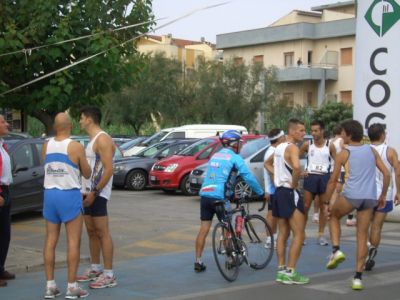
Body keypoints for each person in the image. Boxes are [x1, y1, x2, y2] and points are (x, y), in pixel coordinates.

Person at [321, 120, 390, 291]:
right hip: (369, 198)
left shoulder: (344, 153)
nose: (340, 135)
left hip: (351, 196)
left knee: (334, 216)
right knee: (362, 236)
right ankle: (358, 278)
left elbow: (332, 180)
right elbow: (387, 174)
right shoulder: (371, 150)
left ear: (349, 135)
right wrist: (382, 195)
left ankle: (336, 250)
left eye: (342, 133)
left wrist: (326, 202)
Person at [194, 130, 264, 272]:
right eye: (239, 143)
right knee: (227, 228)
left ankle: (198, 261)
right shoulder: (235, 158)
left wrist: (231, 192)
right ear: (234, 144)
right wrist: (260, 192)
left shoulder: (215, 156)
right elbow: (248, 177)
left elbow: (219, 176)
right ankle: (230, 259)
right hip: (220, 198)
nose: (241, 146)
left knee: (204, 229)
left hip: (205, 195)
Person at [42, 113, 91, 299]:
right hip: (68, 194)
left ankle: (50, 286)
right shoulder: (75, 146)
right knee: (73, 242)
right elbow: (86, 173)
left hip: (50, 194)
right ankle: (72, 287)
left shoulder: (46, 145)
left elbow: (44, 165)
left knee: (50, 240)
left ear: (55, 127)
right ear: (69, 126)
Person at [77, 106, 117, 289]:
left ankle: (109, 275)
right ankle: (95, 268)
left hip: (98, 194)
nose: (79, 121)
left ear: (89, 120)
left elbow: (109, 170)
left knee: (103, 233)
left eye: (81, 118)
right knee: (91, 232)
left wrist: (95, 192)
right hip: (86, 192)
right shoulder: (91, 140)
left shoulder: (103, 139)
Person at [266, 118, 309, 284]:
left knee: (283, 233)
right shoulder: (291, 147)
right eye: (301, 130)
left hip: (278, 192)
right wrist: (293, 182)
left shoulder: (278, 147)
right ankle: (291, 272)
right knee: (299, 233)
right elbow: (297, 167)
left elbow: (266, 164)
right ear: (291, 131)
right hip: (288, 192)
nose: (303, 133)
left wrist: (278, 176)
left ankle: (281, 270)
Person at [365, 123, 400, 271]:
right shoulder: (390, 151)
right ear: (382, 135)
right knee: (377, 227)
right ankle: (371, 251)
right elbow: (397, 172)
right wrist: (399, 191)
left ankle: (367, 246)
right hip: (384, 194)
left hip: (366, 192)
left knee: (364, 225)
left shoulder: (364, 150)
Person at [299, 120, 331, 246]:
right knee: (305, 206)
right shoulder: (308, 144)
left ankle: (321, 235)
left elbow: (337, 161)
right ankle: (301, 234)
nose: (313, 133)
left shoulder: (330, 145)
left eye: (316, 130)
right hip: (310, 177)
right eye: (312, 131)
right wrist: (302, 171)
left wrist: (333, 176)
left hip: (324, 177)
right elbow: (295, 157)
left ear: (322, 131)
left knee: (324, 208)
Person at [263, 128, 286, 248]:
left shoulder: (274, 150)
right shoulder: (272, 152)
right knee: (272, 214)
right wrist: (272, 189)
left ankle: (274, 237)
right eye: (284, 136)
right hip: (273, 190)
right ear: (280, 138)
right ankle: (269, 239)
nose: (286, 138)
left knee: (274, 215)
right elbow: (272, 173)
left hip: (273, 189)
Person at [330, 125, 356, 226]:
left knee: (334, 191)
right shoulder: (341, 140)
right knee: (339, 191)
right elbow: (344, 147)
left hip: (333, 167)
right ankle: (348, 217)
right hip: (341, 168)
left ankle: (330, 210)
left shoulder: (331, 141)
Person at [0, 115, 15, 288]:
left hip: (6, 190)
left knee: (5, 234)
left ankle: (0, 268)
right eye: (3, 122)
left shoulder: (3, 145)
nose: (7, 124)